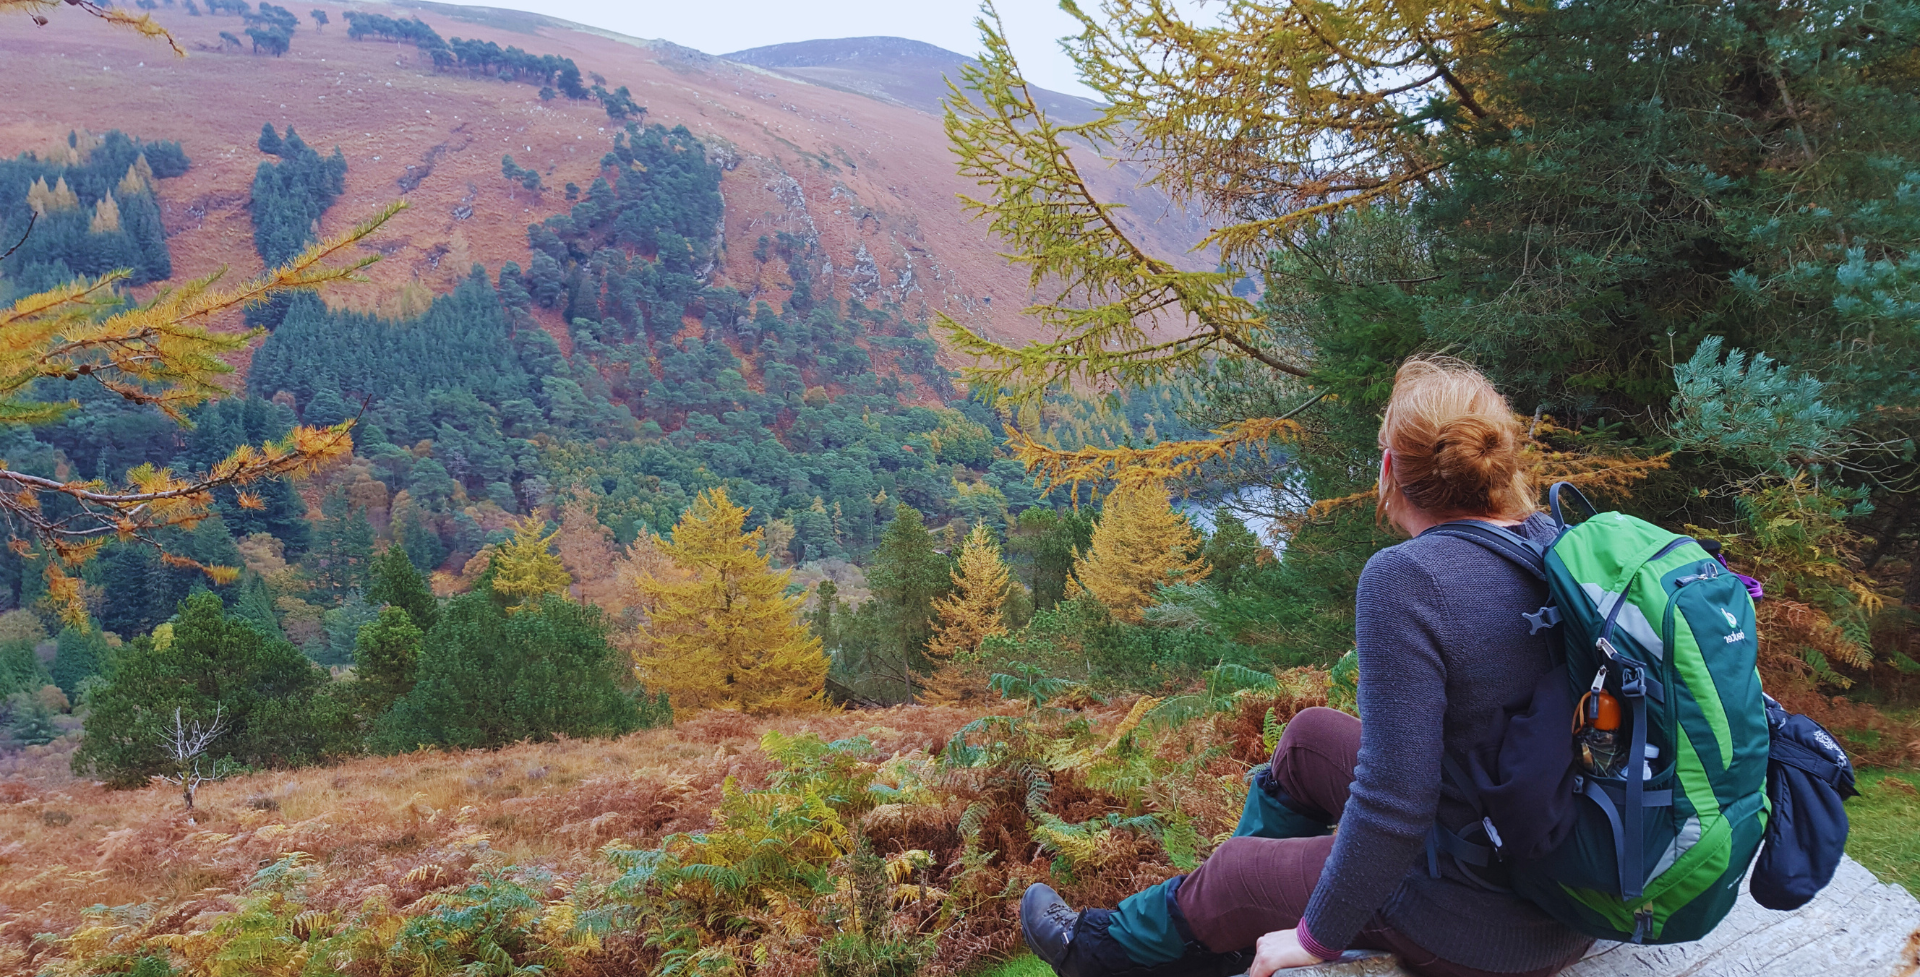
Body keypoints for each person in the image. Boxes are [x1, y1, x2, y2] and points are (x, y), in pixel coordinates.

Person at [1020, 357, 1595, 977]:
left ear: (1390, 468)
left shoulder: (1407, 580)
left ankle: (1103, 953)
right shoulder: (1550, 541)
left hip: (1479, 919)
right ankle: (1224, 933)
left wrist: (1317, 938)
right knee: (1308, 738)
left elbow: (1395, 805)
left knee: (1239, 872)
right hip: (1548, 865)